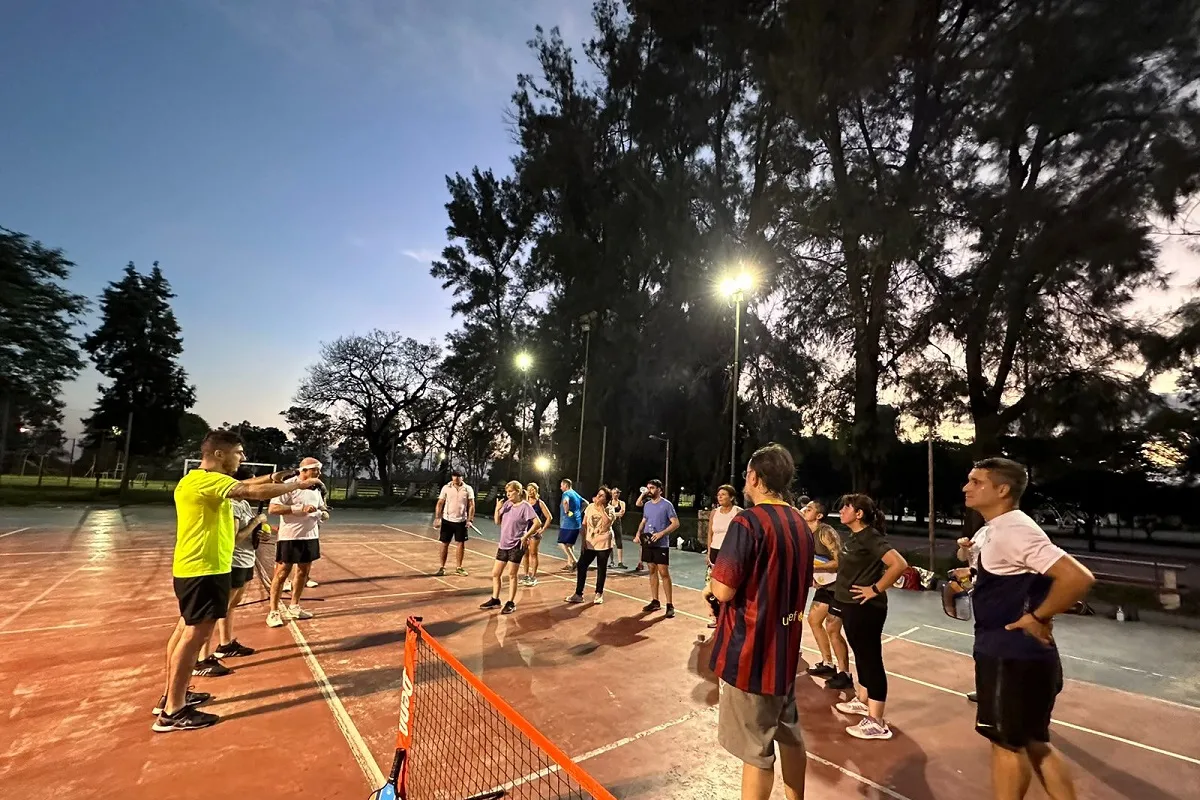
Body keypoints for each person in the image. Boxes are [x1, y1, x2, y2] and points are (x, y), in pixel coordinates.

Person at [153, 431, 321, 732]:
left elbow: (250, 483)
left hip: (195, 567)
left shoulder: (195, 479)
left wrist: (281, 475)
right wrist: (299, 484)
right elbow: (251, 492)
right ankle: (173, 711)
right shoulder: (210, 481)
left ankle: (173, 694)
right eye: (239, 452)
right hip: (203, 569)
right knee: (194, 637)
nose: (242, 458)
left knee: (184, 632)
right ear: (220, 454)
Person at [964, 458, 1094, 800]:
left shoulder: (1014, 530)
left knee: (1006, 746)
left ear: (1002, 490)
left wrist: (1038, 616)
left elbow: (1077, 578)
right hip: (1024, 654)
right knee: (1037, 743)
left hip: (1010, 656)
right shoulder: (994, 530)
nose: (967, 487)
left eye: (976, 482)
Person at [709, 443, 814, 800]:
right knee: (790, 734)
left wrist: (711, 582)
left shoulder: (748, 521)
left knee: (756, 750)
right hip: (785, 653)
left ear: (754, 477)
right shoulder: (801, 522)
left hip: (751, 654)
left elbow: (722, 588)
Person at [830, 494, 909, 741]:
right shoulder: (855, 537)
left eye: (846, 507)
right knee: (861, 655)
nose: (842, 510)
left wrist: (874, 589)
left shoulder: (870, 536)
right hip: (851, 605)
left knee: (871, 659)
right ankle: (863, 701)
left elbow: (899, 564)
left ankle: (877, 721)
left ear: (859, 514)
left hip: (866, 607)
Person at [210, 464, 269, 662]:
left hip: (246, 559)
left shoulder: (243, 504)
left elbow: (249, 533)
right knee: (222, 606)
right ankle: (204, 655)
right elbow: (233, 538)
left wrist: (259, 531)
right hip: (234, 561)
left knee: (232, 604)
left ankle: (226, 643)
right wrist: (255, 523)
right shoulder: (233, 505)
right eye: (250, 482)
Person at [266, 457, 327, 628]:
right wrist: (299, 509)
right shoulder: (289, 485)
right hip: (290, 537)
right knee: (282, 573)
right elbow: (273, 509)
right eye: (315, 470)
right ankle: (273, 611)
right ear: (304, 471)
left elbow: (320, 507)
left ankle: (294, 606)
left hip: (310, 536)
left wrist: (323, 513)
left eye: (319, 470)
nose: (319, 473)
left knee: (303, 572)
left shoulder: (316, 487)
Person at [801, 500, 851, 689]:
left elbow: (840, 561)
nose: (805, 510)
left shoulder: (825, 532)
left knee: (832, 628)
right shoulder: (807, 534)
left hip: (838, 585)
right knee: (814, 620)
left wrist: (814, 567)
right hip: (825, 585)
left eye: (810, 508)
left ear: (819, 516)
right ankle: (828, 663)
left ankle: (845, 673)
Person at [481, 481, 542, 615]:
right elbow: (497, 522)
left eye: (511, 491)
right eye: (507, 491)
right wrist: (497, 509)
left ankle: (510, 602)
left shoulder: (525, 506)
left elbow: (538, 523)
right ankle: (495, 599)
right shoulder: (507, 504)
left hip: (516, 545)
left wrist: (526, 536)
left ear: (518, 492)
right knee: (495, 573)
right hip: (503, 544)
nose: (508, 494)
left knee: (512, 575)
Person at [952, 525, 990, 703]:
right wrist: (963, 548)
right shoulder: (982, 531)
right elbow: (963, 558)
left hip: (995, 594)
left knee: (993, 644)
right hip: (978, 592)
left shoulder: (1008, 531)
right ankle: (985, 688)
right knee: (982, 644)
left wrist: (973, 572)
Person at [635, 479, 679, 618]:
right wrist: (638, 534)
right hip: (648, 543)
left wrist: (661, 533)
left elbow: (675, 523)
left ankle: (670, 604)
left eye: (652, 488)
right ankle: (655, 601)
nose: (650, 490)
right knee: (652, 570)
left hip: (661, 544)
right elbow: (644, 520)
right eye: (648, 488)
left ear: (660, 489)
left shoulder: (667, 505)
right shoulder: (647, 505)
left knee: (663, 572)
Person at [566, 486, 615, 605]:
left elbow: (608, 523)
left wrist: (601, 508)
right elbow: (584, 525)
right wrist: (583, 541)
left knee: (601, 568)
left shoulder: (610, 509)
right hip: (590, 542)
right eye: (598, 494)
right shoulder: (590, 507)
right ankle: (578, 594)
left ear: (607, 499)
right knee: (582, 565)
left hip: (604, 542)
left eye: (602, 496)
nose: (598, 497)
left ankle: (599, 593)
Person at [705, 484, 743, 628]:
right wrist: (708, 553)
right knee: (713, 587)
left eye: (723, 494)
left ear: (732, 497)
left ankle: (732, 618)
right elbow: (710, 533)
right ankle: (716, 617)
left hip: (731, 554)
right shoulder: (714, 512)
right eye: (718, 494)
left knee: (730, 587)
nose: (720, 497)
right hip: (715, 552)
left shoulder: (738, 512)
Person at [434, 468, 476, 577]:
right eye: (454, 476)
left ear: (462, 477)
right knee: (444, 544)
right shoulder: (446, 487)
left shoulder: (468, 489)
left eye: (458, 476)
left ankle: (459, 568)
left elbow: (471, 505)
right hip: (447, 520)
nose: (456, 478)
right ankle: (442, 567)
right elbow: (440, 503)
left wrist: (470, 519)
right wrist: (437, 518)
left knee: (460, 544)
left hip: (461, 521)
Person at [520, 482, 552, 586]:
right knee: (525, 554)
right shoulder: (524, 502)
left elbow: (549, 517)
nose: (530, 491)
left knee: (533, 553)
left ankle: (533, 576)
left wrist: (542, 529)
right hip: (525, 532)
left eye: (532, 489)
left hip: (534, 533)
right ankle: (526, 575)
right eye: (528, 489)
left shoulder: (540, 503)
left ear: (536, 490)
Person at [558, 478, 584, 571]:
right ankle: (570, 564)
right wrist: (579, 512)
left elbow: (565, 502)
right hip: (577, 522)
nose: (560, 488)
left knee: (561, 543)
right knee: (570, 544)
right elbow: (586, 503)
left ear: (566, 485)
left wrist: (567, 511)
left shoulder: (566, 493)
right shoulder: (576, 494)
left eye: (561, 485)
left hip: (568, 523)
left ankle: (575, 561)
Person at [608, 488, 628, 570]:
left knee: (619, 541)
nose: (616, 494)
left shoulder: (622, 503)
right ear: (612, 493)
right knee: (610, 542)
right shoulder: (608, 502)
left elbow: (621, 513)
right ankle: (611, 561)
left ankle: (620, 562)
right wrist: (616, 514)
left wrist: (612, 514)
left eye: (618, 493)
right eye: (615, 493)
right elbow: (605, 512)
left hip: (617, 523)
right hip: (609, 523)